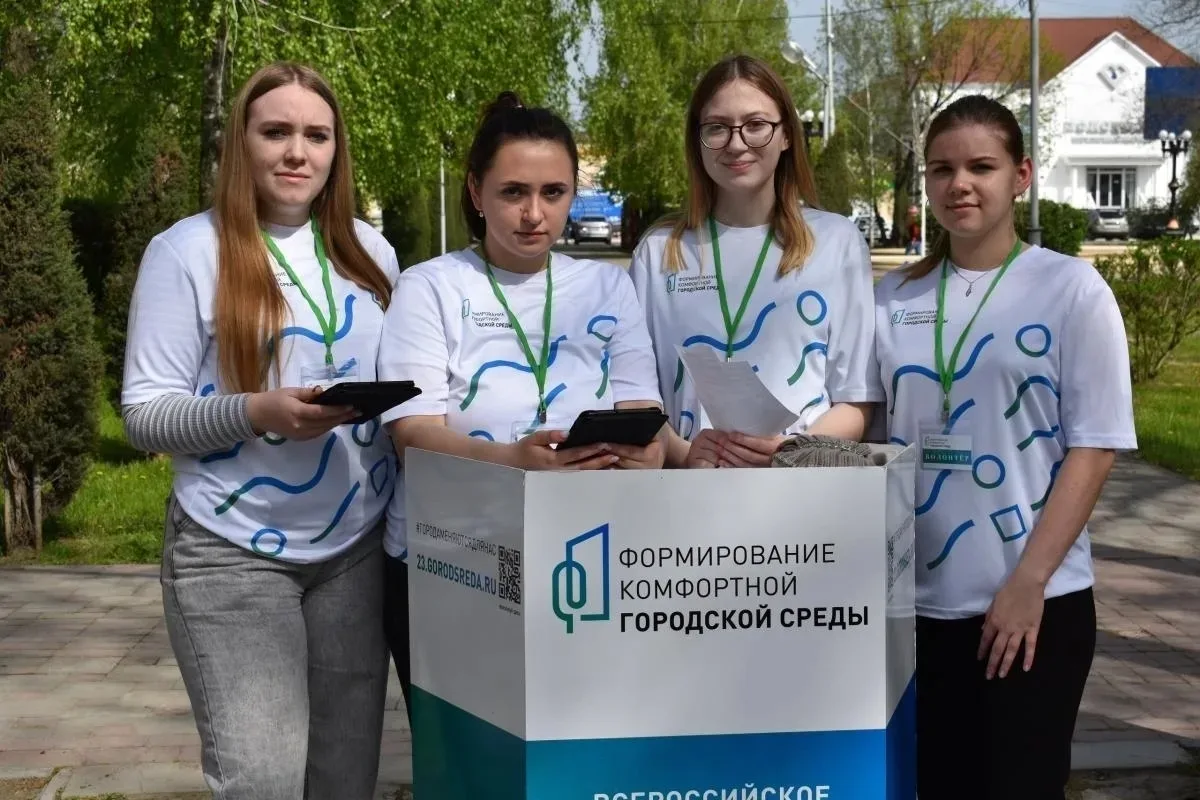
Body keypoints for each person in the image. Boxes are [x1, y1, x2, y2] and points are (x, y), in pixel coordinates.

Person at [120, 62, 400, 800]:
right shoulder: (187, 251)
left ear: (337, 149)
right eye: (276, 132)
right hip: (232, 552)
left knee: (345, 782)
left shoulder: (372, 252)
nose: (297, 152)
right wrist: (256, 412)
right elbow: (144, 415)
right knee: (263, 782)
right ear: (240, 143)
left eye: (317, 135)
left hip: (355, 550)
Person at [872, 95, 1136, 800]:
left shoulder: (1071, 289)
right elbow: (869, 430)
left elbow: (1095, 447)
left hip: (1029, 605)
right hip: (912, 608)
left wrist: (1028, 584)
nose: (959, 184)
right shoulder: (894, 296)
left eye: (980, 167)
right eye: (942, 169)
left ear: (1021, 176)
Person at [376, 91, 665, 713]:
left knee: (580, 745)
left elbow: (643, 414)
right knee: (470, 751)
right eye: (514, 192)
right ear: (476, 192)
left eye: (554, 192)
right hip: (453, 563)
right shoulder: (430, 287)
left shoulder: (607, 286)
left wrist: (650, 454)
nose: (535, 214)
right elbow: (412, 437)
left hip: (584, 557)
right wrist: (514, 462)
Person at [628, 54, 880, 469]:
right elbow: (635, 395)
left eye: (756, 125)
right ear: (697, 139)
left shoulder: (837, 243)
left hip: (799, 493)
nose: (736, 143)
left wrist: (790, 454)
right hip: (690, 491)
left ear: (786, 136)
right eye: (717, 127)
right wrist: (685, 454)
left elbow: (856, 401)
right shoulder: (658, 252)